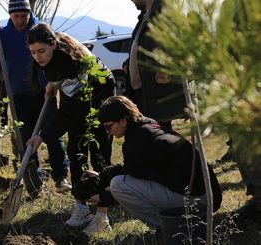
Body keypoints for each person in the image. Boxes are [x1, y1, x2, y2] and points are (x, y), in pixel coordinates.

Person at [25, 23, 115, 227]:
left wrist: (43, 135)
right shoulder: (54, 59)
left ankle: (102, 214)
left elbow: (68, 112)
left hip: (100, 96)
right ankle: (81, 207)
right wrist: (54, 82)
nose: (37, 57)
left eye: (41, 51)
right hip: (76, 97)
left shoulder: (72, 64)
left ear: (53, 45)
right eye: (33, 52)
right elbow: (69, 106)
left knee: (99, 152)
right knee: (75, 152)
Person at [0, 0, 70, 191]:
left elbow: (57, 54)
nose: (21, 20)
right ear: (10, 15)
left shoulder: (40, 31)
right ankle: (34, 180)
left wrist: (53, 81)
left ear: (29, 14)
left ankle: (61, 176)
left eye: (24, 16)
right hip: (18, 95)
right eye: (16, 16)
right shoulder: (2, 35)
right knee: (26, 138)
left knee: (53, 134)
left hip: (44, 91)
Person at [97, 95, 222, 228]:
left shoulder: (137, 140)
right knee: (121, 181)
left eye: (108, 127)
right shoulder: (147, 126)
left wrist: (101, 198)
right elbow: (132, 167)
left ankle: (170, 227)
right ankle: (175, 223)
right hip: (209, 194)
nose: (107, 132)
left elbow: (130, 175)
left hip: (200, 200)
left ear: (123, 121)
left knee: (118, 186)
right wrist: (101, 177)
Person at [123, 0, 186, 129]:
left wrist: (166, 70)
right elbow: (142, 47)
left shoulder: (164, 13)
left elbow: (178, 48)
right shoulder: (144, 17)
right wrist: (128, 64)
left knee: (159, 137)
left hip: (157, 92)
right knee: (149, 137)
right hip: (142, 92)